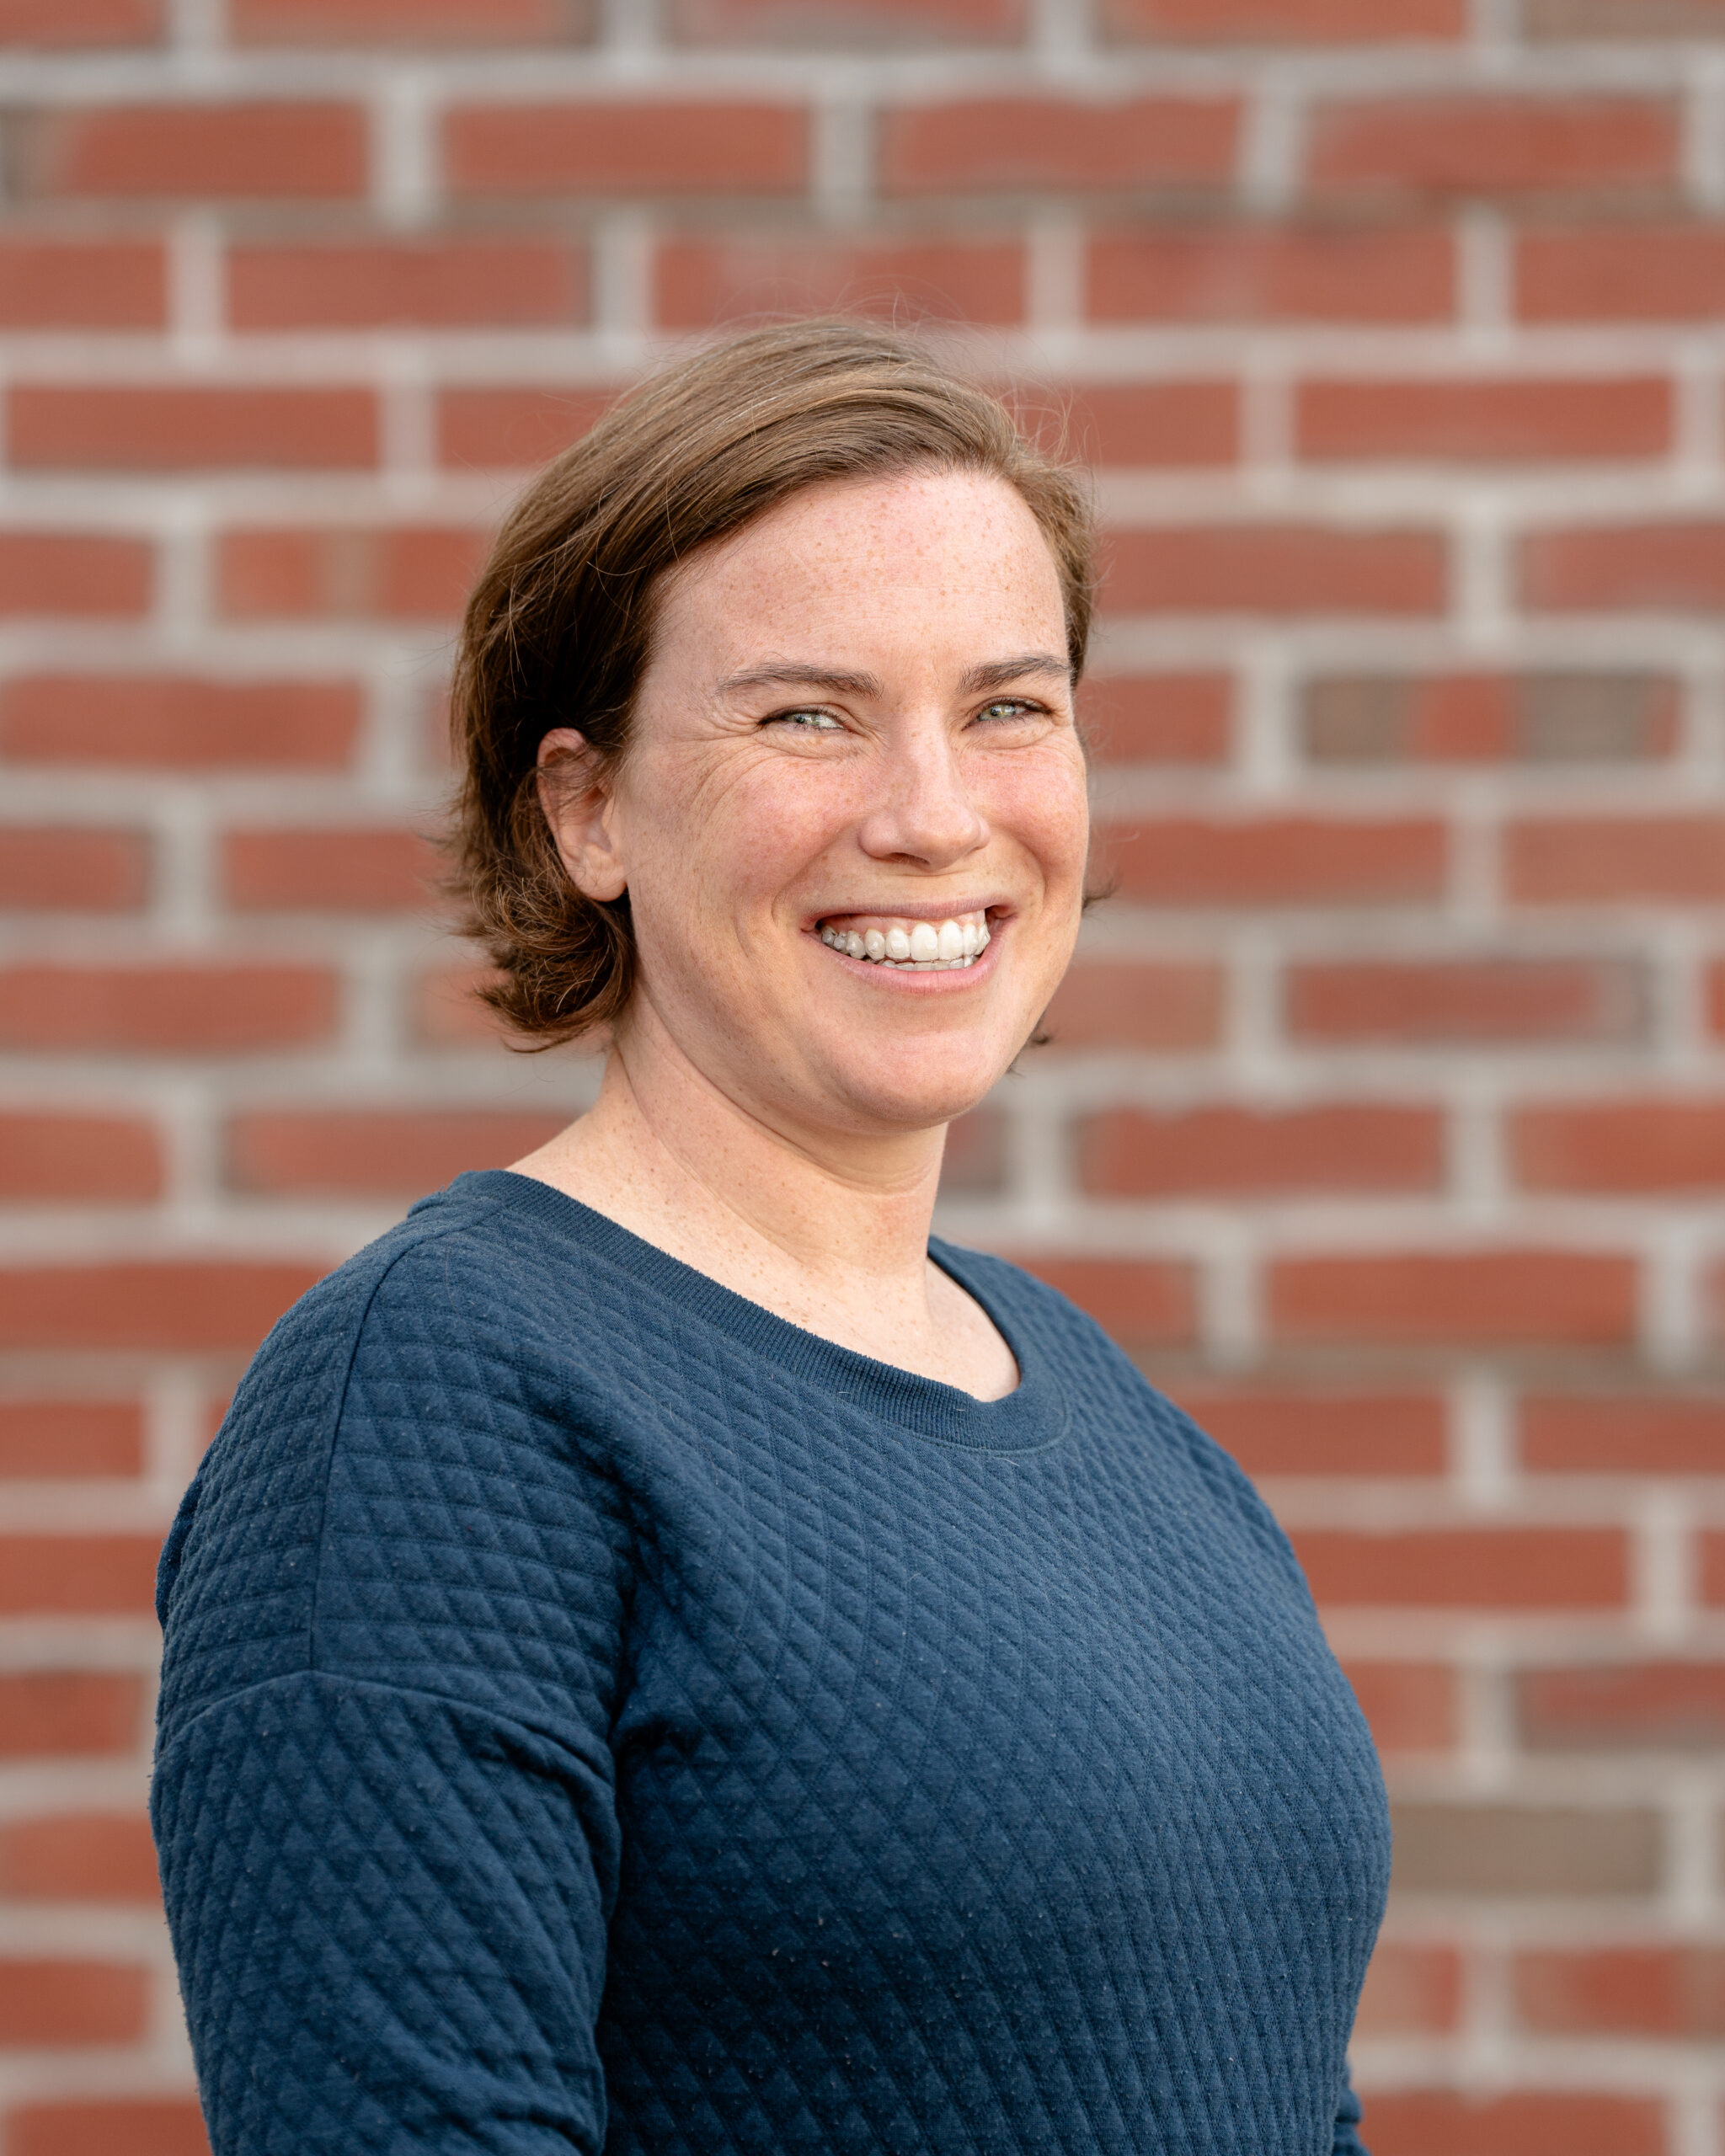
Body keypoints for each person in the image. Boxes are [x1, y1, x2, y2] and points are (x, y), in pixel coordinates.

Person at [152, 320, 1391, 2154]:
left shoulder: (1115, 1418)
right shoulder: (441, 1401)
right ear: (587, 809)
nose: (931, 813)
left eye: (1006, 705)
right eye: (807, 711)